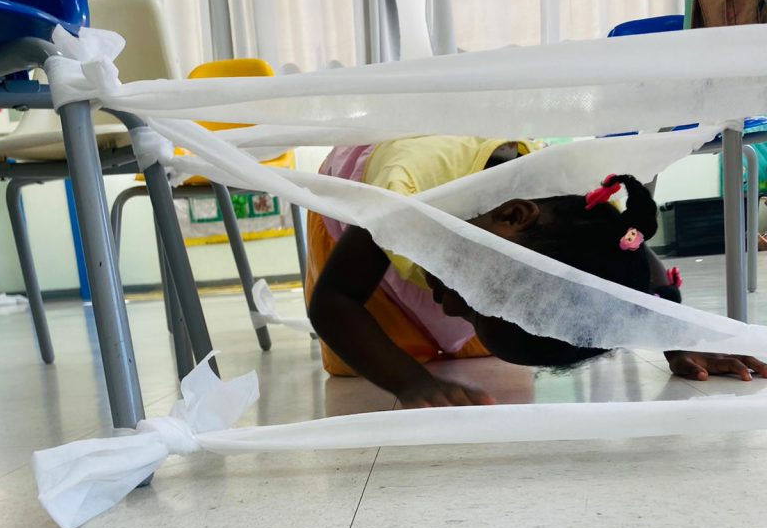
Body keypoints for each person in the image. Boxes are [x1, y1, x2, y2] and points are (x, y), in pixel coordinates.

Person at [306, 136, 767, 407]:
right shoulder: (403, 195)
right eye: (477, 294)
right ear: (512, 216)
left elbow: (633, 259)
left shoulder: (573, 217)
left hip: (452, 222)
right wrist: (411, 383)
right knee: (361, 357)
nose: (447, 306)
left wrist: (675, 337)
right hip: (357, 199)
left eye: (473, 305)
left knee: (495, 338)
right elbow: (333, 301)